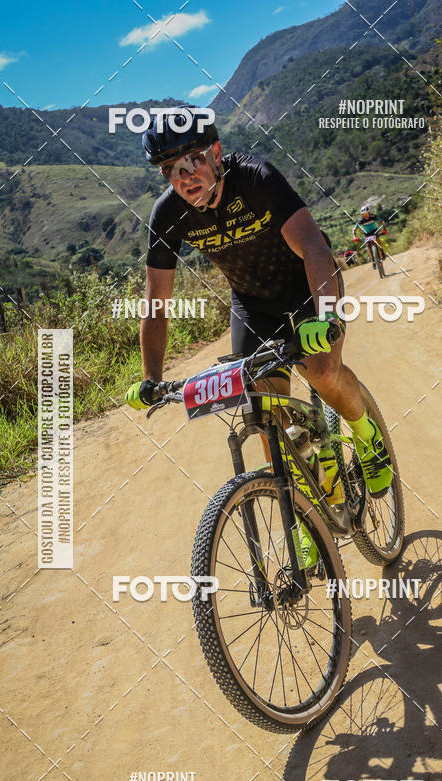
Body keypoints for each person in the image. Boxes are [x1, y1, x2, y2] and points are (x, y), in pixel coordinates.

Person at [125, 109, 393, 558]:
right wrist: (151, 378)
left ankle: (366, 435)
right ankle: (309, 518)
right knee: (269, 417)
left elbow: (313, 247)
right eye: (171, 169)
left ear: (215, 153)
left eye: (192, 161)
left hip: (306, 285)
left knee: (323, 371)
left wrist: (325, 317)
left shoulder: (256, 178)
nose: (185, 176)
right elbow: (156, 303)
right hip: (253, 305)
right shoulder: (168, 214)